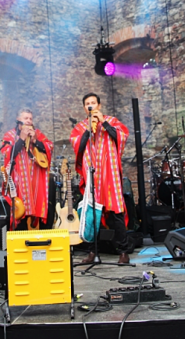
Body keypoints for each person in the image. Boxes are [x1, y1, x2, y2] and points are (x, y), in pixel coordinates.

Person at [70, 93, 130, 264]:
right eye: (87, 104)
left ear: (99, 105)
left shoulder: (112, 121)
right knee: (91, 214)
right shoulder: (80, 127)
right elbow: (78, 147)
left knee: (116, 212)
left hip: (109, 174)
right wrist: (88, 130)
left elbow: (121, 137)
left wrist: (103, 122)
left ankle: (123, 251)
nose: (90, 106)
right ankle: (91, 251)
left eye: (93, 103)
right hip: (92, 175)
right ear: (84, 108)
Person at [1, 108, 54, 230]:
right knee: (20, 211)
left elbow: (49, 147)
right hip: (18, 180)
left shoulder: (38, 133)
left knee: (38, 205)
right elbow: (7, 154)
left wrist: (35, 141)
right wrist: (21, 139)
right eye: (26, 118)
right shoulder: (10, 135)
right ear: (18, 120)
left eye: (30, 118)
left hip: (36, 179)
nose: (29, 121)